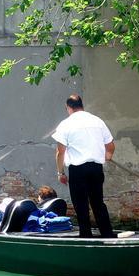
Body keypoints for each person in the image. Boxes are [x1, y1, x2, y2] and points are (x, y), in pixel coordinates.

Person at [52, 94, 116, 238]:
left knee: (81, 205)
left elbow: (60, 152)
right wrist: (107, 156)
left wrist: (60, 173)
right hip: (95, 168)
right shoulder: (97, 121)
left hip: (77, 170)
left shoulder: (66, 124)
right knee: (98, 203)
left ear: (68, 108)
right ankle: (107, 234)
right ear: (82, 105)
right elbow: (110, 146)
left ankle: (85, 236)